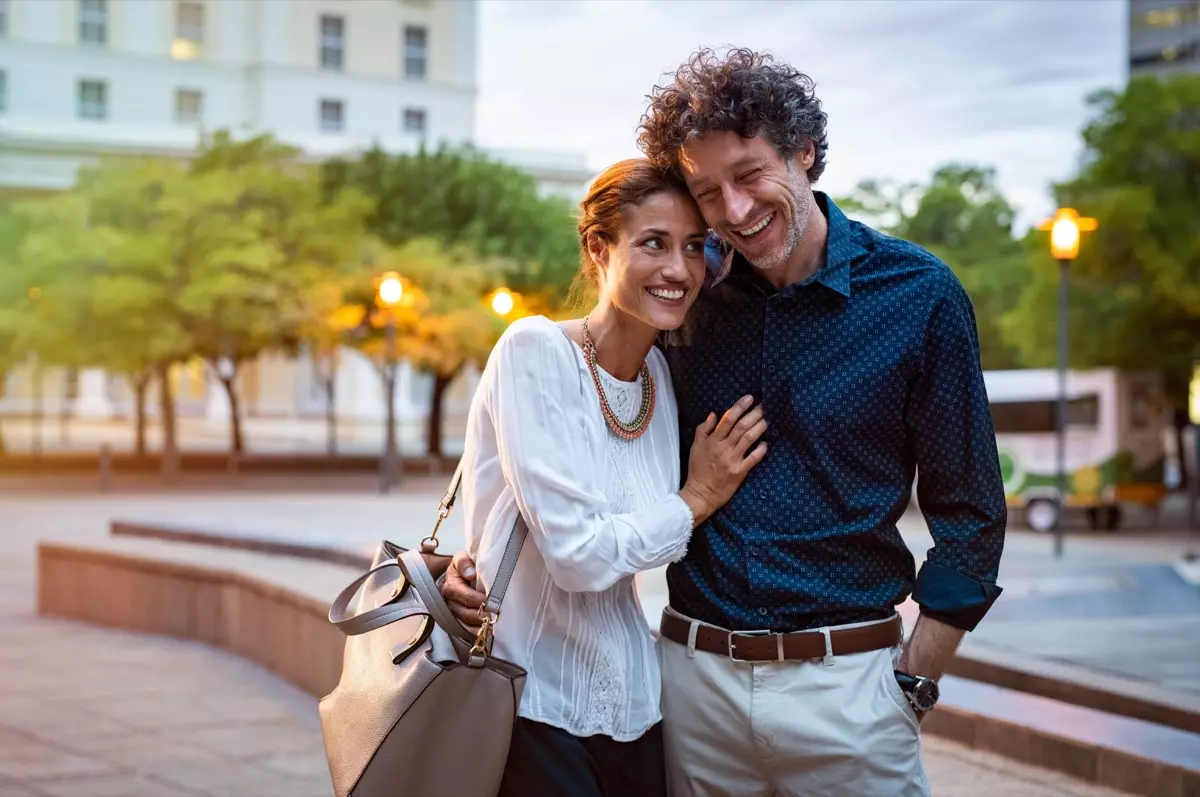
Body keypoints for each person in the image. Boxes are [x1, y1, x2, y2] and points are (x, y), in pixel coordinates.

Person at [445, 47, 1007, 797]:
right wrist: (472, 557)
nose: (735, 212)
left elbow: (972, 516)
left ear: (804, 151)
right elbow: (562, 440)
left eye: (749, 175)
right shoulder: (684, 304)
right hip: (690, 689)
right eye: (708, 193)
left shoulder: (918, 296)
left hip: (850, 692)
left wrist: (911, 686)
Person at [455, 156, 768, 797]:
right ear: (600, 249)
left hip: (638, 709)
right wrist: (697, 498)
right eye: (653, 243)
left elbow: (615, 546)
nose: (678, 270)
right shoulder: (535, 352)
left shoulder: (660, 378)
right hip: (532, 705)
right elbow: (577, 558)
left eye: (693, 247)